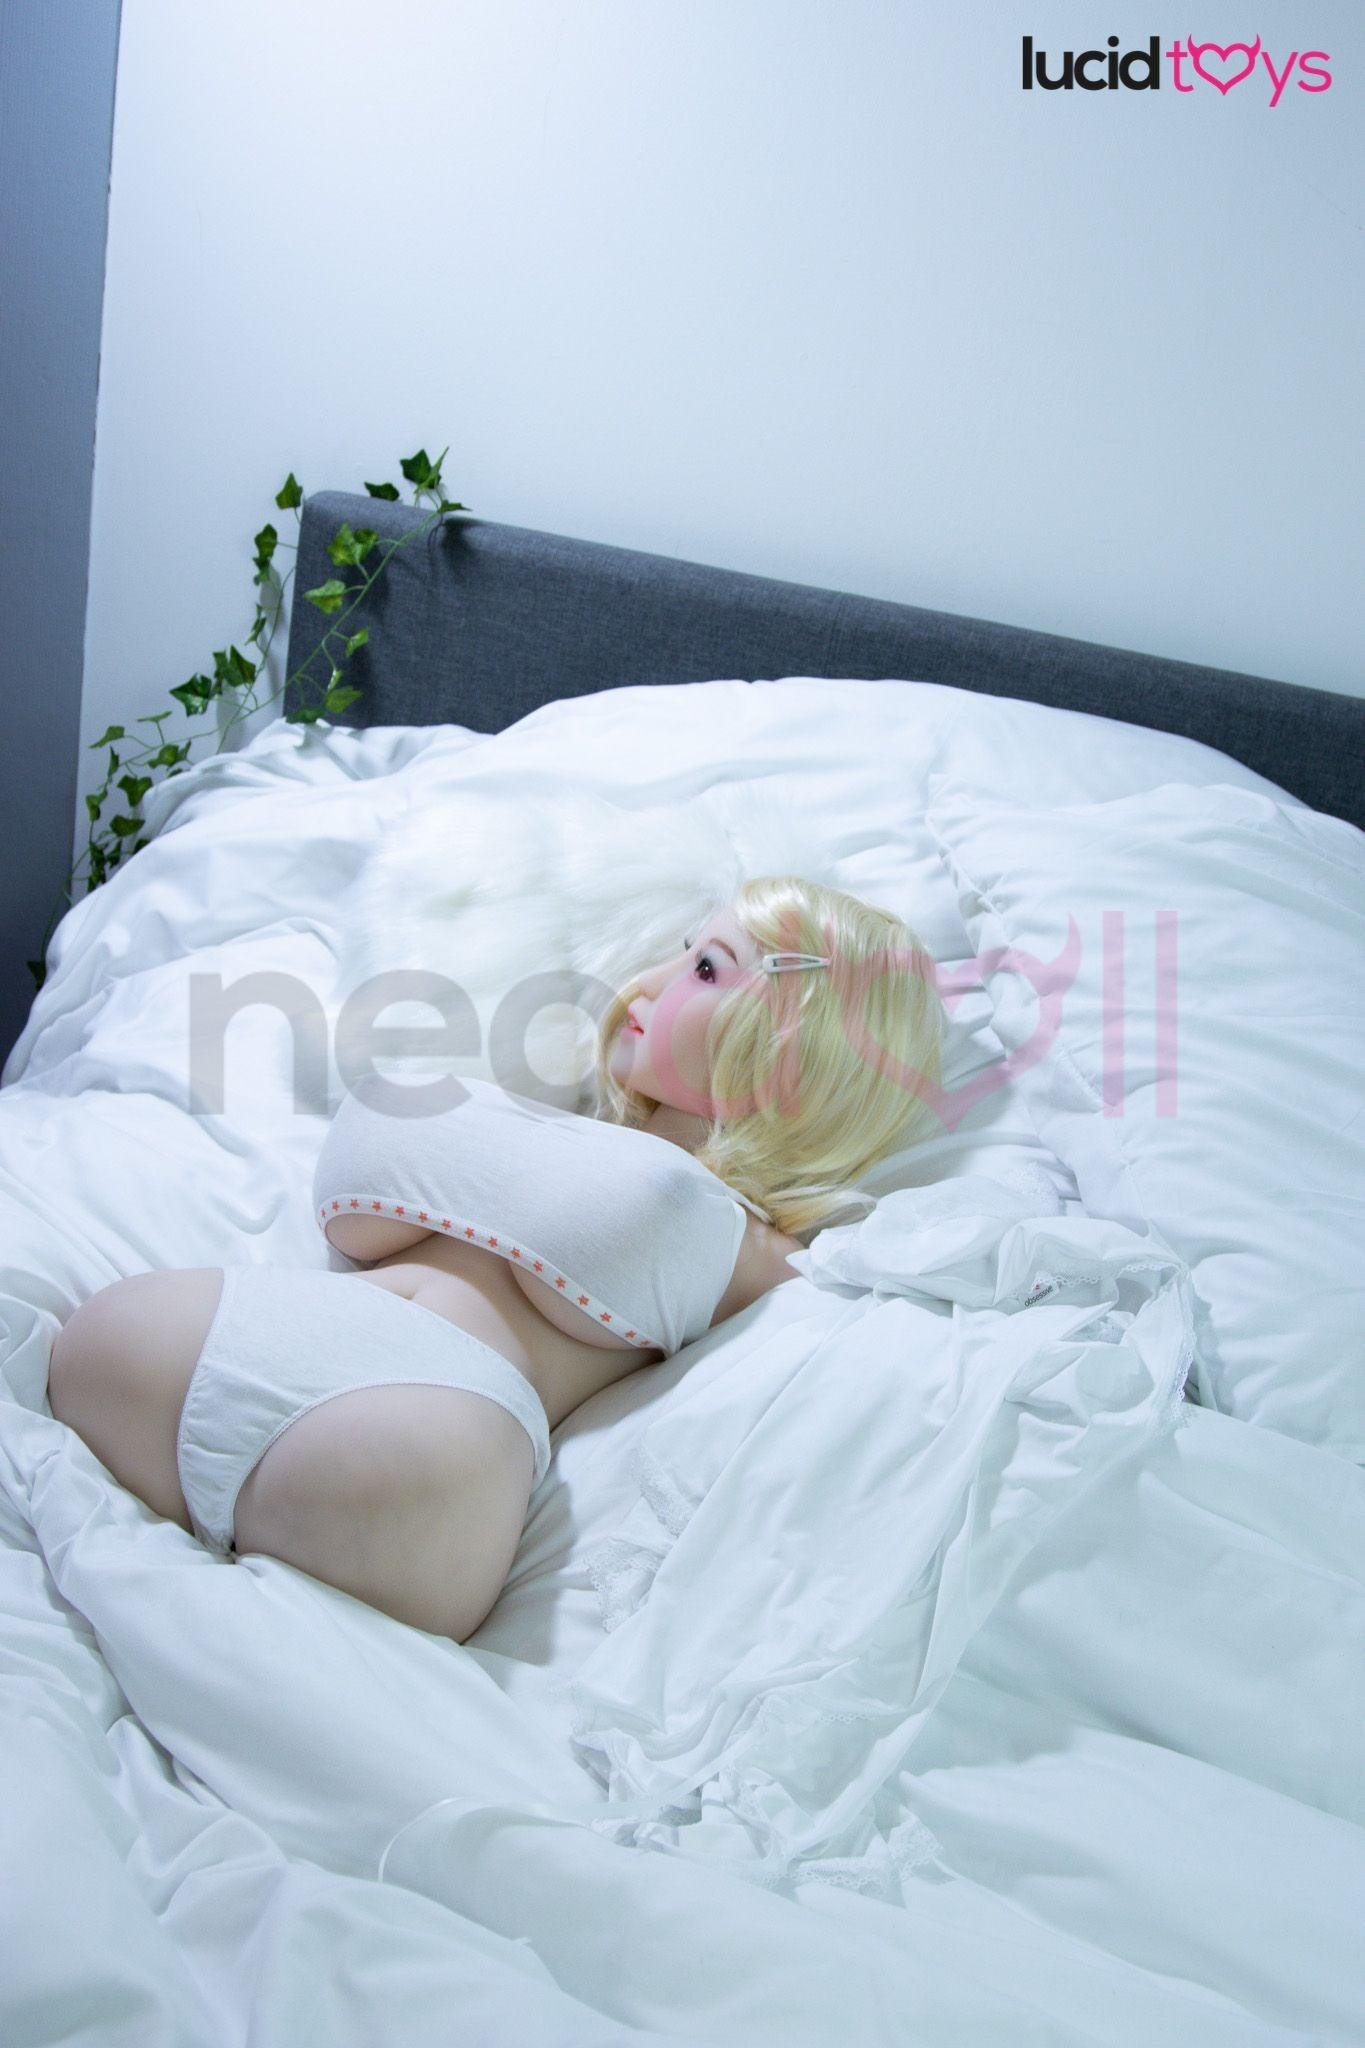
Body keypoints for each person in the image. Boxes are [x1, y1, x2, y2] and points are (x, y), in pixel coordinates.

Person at [47, 876, 943, 1641]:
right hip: (229, 1338)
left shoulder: (754, 1242)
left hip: (429, 1443)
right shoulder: (548, 1120)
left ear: (800, 1052)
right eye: (681, 953)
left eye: (706, 969)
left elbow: (875, 1333)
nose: (648, 983)